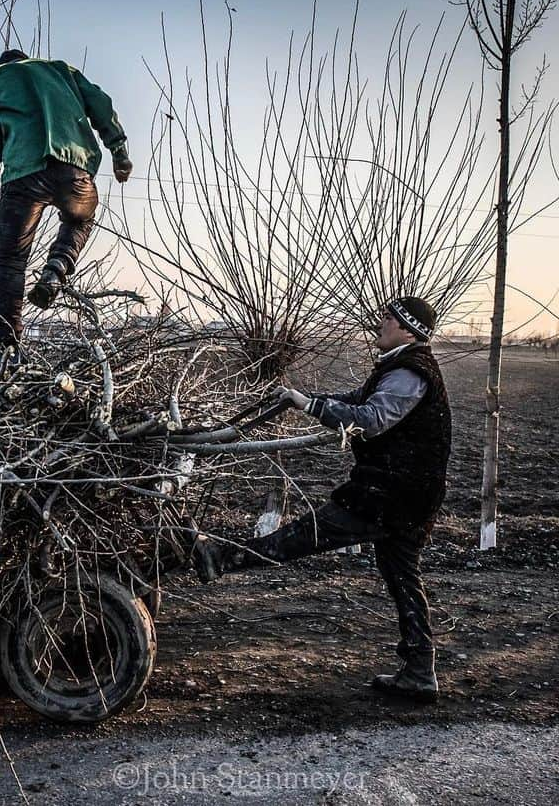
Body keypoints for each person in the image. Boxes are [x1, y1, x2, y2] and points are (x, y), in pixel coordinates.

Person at [193, 297, 452, 703]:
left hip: (390, 495)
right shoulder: (398, 366)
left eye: (389, 318)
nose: (380, 323)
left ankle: (221, 558)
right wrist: (307, 399)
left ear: (408, 329)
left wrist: (312, 405)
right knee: (401, 575)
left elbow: (370, 419)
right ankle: (420, 671)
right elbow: (357, 397)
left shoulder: (410, 373)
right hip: (407, 495)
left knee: (308, 532)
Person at [0, 49, 131, 365]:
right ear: (28, 59)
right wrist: (119, 151)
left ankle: (5, 350)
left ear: (3, 66)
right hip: (76, 172)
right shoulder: (61, 70)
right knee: (80, 218)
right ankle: (56, 270)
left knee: (8, 262)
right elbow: (102, 105)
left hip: (24, 176)